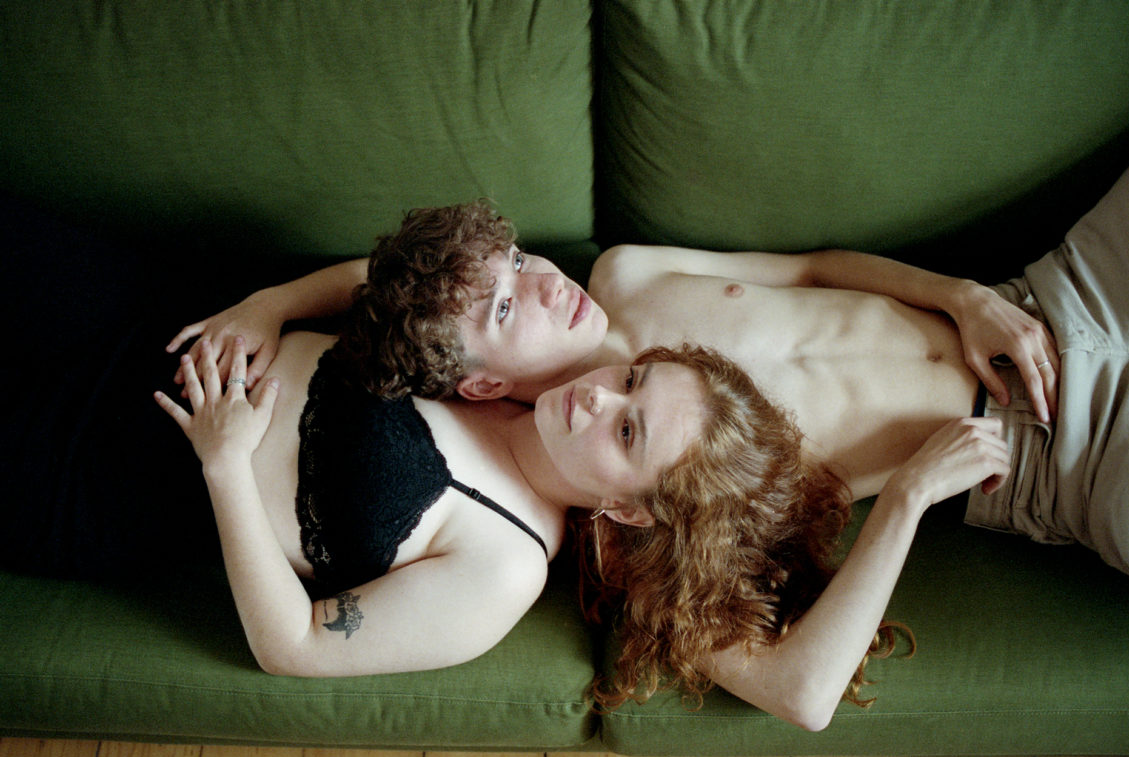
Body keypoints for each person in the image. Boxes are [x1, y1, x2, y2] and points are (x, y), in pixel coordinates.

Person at [171, 140, 1129, 727]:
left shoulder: (625, 277)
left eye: (522, 263)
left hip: (1050, 298)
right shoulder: (627, 509)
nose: (537, 283)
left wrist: (968, 296)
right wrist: (905, 499)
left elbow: (811, 270)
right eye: (506, 306)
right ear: (481, 382)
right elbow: (798, 692)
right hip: (1058, 452)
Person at [0, 196, 810, 681]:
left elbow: (295, 646)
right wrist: (270, 306)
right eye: (632, 379)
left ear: (628, 509)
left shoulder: (501, 572)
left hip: (97, 474)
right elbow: (418, 289)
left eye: (627, 430)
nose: (598, 395)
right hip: (150, 317)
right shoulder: (541, 370)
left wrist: (224, 466)